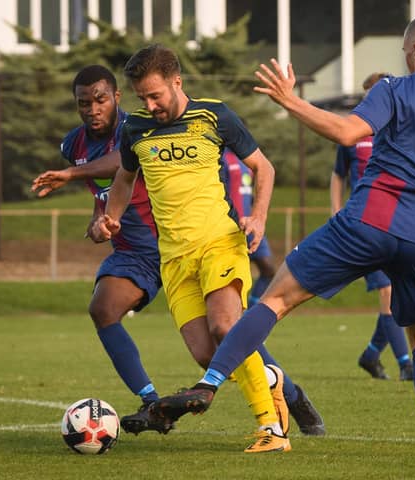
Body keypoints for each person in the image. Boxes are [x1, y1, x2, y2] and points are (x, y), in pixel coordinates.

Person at [151, 14, 415, 457]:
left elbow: (344, 132)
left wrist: (290, 100)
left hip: (370, 221)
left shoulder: (394, 89)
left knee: (276, 300)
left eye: (404, 51)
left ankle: (208, 385)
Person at [91, 44, 324, 452]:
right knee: (206, 355)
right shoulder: (136, 130)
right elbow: (125, 179)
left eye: (155, 95)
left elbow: (262, 166)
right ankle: (272, 380)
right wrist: (111, 215)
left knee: (224, 328)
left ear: (177, 82)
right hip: (174, 258)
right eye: (141, 97)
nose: (149, 104)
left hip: (220, 241)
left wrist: (259, 217)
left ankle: (272, 428)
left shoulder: (213, 116)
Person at [30, 65, 172, 436]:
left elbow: (121, 162)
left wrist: (70, 175)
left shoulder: (137, 127)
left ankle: (286, 392)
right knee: (103, 308)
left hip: (174, 242)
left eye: (100, 100)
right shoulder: (73, 145)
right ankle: (151, 402)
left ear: (116, 98)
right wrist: (99, 224)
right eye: (83, 103)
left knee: (221, 332)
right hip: (132, 251)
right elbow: (102, 195)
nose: (92, 109)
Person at [223, 148, 325, 434]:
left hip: (237, 232)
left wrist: (254, 217)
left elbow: (262, 174)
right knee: (226, 337)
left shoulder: (233, 158)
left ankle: (288, 401)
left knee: (232, 329)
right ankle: (291, 397)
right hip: (199, 241)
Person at [330, 72, 413, 382]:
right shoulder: (354, 133)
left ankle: (371, 354)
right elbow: (338, 175)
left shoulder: (398, 131)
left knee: (397, 295)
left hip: (397, 223)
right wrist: (336, 211)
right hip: (363, 222)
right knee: (387, 291)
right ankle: (406, 363)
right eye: (368, 98)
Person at [222, 148, 276, 308]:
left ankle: (251, 311)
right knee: (233, 277)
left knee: (268, 270)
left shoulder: (245, 159)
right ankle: (234, 314)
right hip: (232, 226)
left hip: (251, 224)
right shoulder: (222, 157)